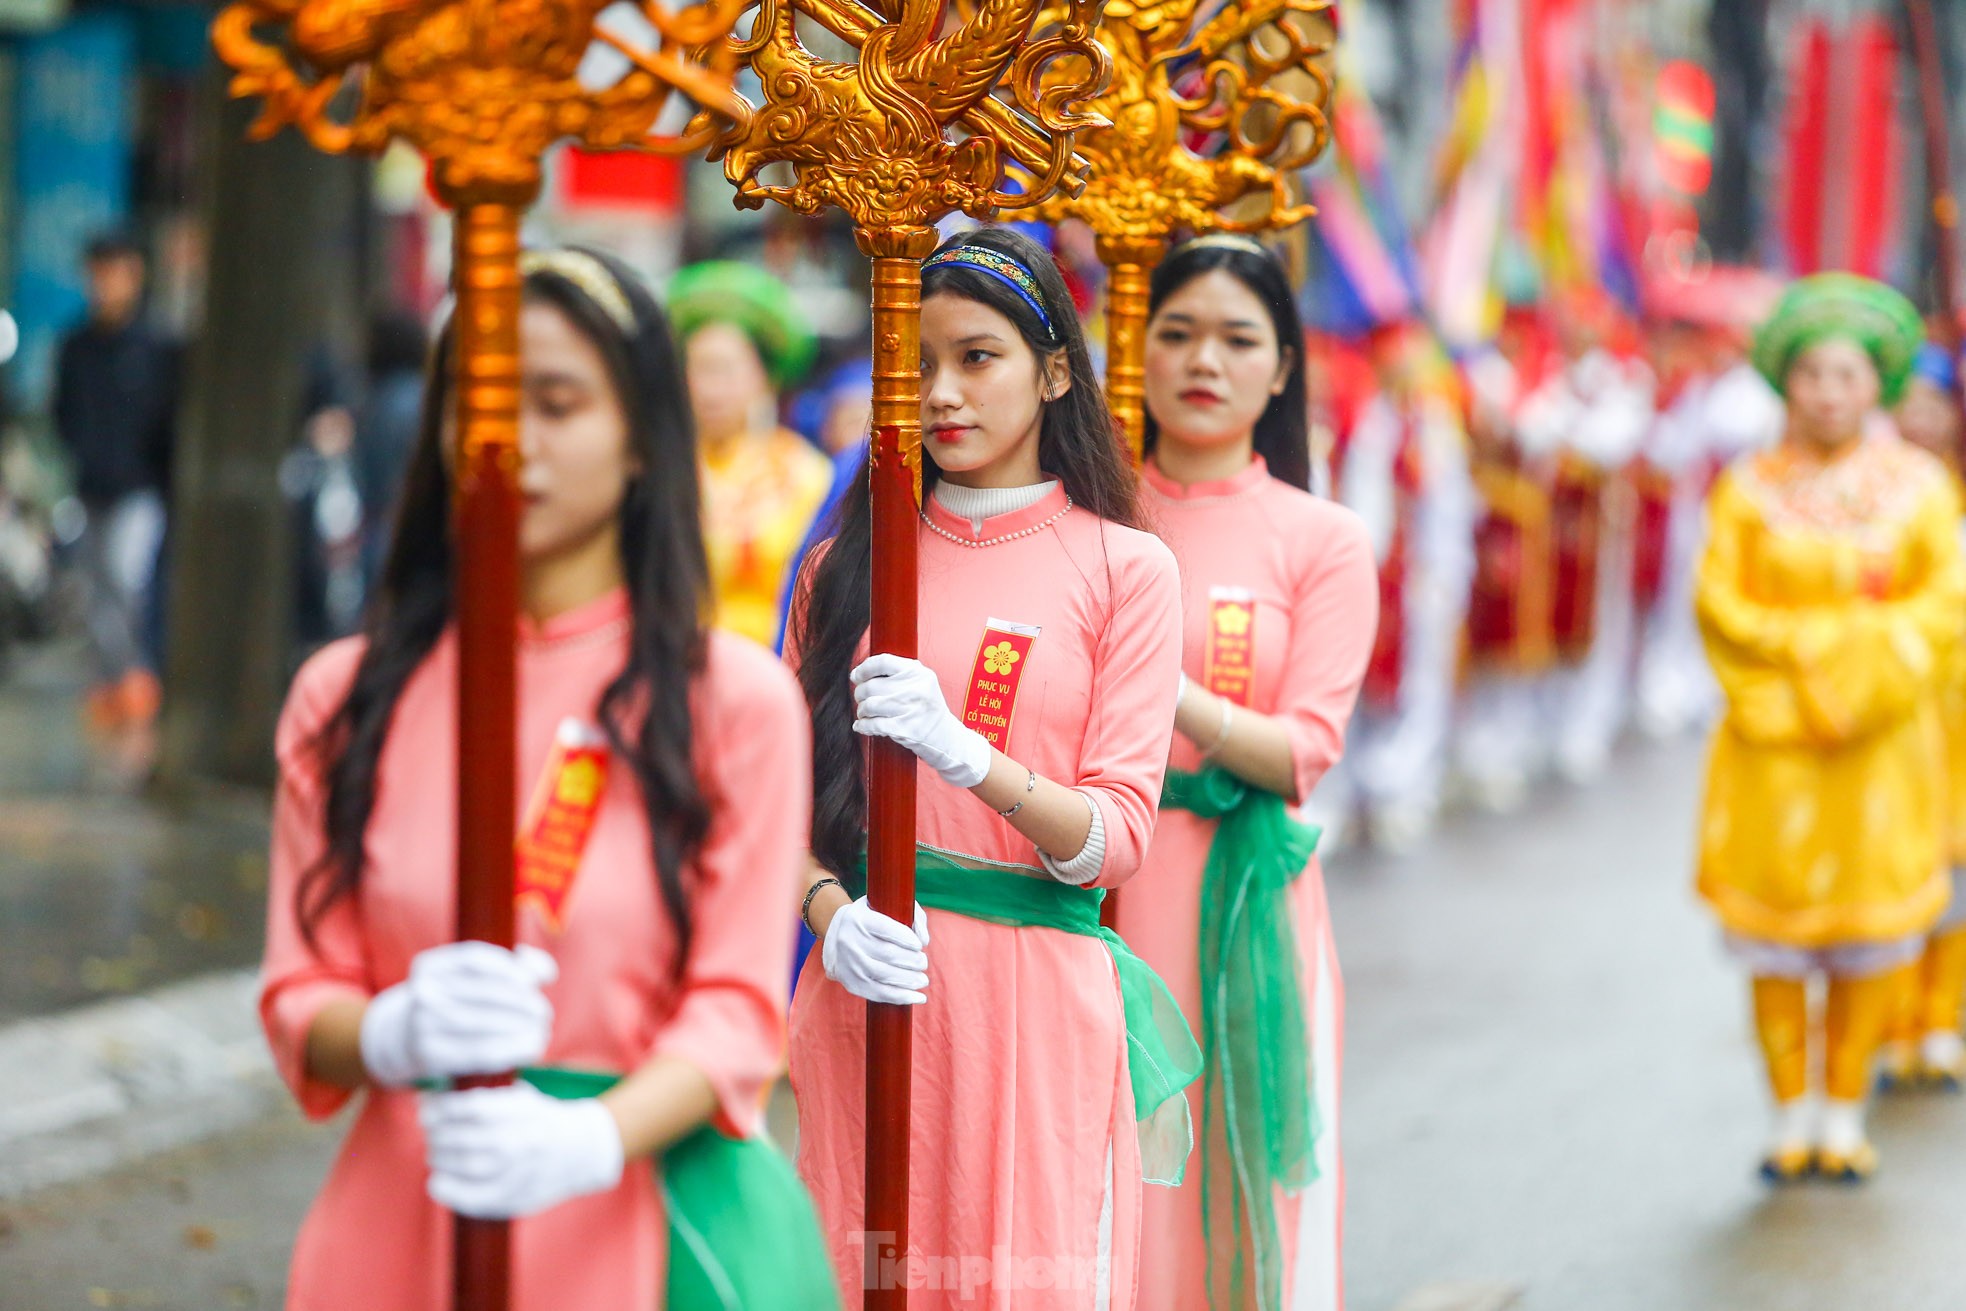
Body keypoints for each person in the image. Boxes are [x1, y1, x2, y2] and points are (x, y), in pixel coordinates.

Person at [259, 248, 827, 1309]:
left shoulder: (733, 705)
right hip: (403, 1219)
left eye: (556, 402)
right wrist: (391, 1031)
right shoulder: (342, 699)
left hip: (639, 1213)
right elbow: (301, 988)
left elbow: (739, 1008)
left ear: (641, 443)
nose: (505, 437)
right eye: (474, 400)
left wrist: (588, 1137)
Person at [786, 226, 1195, 1309]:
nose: (942, 393)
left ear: (1055, 370)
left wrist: (968, 757)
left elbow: (1115, 838)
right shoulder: (843, 568)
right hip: (873, 978)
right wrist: (831, 914)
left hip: (1034, 1002)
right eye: (917, 363)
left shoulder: (1126, 569)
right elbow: (771, 810)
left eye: (977, 357)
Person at [1120, 235, 1377, 1311]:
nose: (1201, 362)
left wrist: (1157, 682)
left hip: (1245, 905)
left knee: (1235, 1179)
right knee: (1112, 1171)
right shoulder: (1089, 515)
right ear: (1133, 353)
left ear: (1280, 368)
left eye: (1235, 339)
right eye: (1174, 333)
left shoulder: (1319, 538)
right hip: (1099, 884)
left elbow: (1301, 748)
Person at [1694, 274, 1965, 1182]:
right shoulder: (1746, 488)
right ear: (1785, 381)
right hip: (1773, 750)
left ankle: (1844, 1110)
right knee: (1778, 939)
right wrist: (1810, 672)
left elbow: (1942, 608)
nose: (1828, 391)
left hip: (1881, 749)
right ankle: (1787, 1113)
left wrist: (1848, 677)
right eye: (1811, 373)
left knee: (1867, 935)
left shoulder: (1920, 490)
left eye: (1847, 374)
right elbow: (1721, 605)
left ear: (1876, 384)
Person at [1880, 341, 1966, 1089]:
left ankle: (1941, 1018)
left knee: (1958, 871)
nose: (1922, 421)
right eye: (1909, 408)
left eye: (1935, 408)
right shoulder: (1873, 497)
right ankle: (1892, 1022)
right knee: (1894, 867)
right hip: (1899, 706)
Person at [52, 233, 179, 735]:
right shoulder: (76, 345)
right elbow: (63, 412)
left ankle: (137, 676)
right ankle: (114, 681)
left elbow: (167, 419)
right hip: (91, 485)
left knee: (129, 580)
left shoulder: (156, 345)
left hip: (140, 488)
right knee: (95, 588)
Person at [669, 260, 833, 646]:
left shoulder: (805, 473)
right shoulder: (662, 470)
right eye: (697, 369)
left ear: (765, 376)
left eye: (724, 369)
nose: (709, 388)